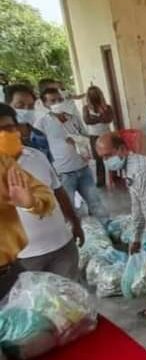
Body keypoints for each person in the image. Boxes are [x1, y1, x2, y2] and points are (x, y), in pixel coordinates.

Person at [6, 106, 84, 281]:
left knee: (70, 294)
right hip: (23, 258)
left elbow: (58, 191)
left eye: (8, 127)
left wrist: (74, 221)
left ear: (18, 128)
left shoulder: (36, 156)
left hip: (62, 246)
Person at [0, 103, 56, 297]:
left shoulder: (5, 163)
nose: (3, 135)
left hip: (10, 270)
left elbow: (45, 194)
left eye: (7, 128)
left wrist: (30, 203)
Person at [36, 88, 109, 226]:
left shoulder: (73, 118)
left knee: (96, 203)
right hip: (63, 172)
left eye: (60, 99)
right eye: (53, 101)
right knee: (69, 209)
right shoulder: (42, 123)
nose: (58, 103)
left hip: (83, 168)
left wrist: (78, 140)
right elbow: (39, 148)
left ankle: (109, 229)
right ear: (45, 104)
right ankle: (74, 233)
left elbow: (86, 136)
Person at [96, 132, 146, 254]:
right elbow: (137, 206)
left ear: (122, 149)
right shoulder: (130, 168)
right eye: (102, 158)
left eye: (108, 155)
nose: (106, 161)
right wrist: (136, 239)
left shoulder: (139, 172)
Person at [6, 84, 52, 161]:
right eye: (20, 105)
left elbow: (49, 161)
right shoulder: (4, 139)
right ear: (7, 106)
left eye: (31, 106)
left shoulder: (39, 134)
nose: (26, 109)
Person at [82, 86, 114, 187]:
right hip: (94, 136)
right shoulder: (86, 108)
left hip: (106, 134)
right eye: (92, 94)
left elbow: (109, 119)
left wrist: (96, 118)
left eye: (96, 93)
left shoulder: (107, 107)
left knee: (111, 156)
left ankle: (114, 178)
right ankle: (101, 181)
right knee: (98, 159)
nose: (94, 96)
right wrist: (101, 117)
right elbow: (87, 121)